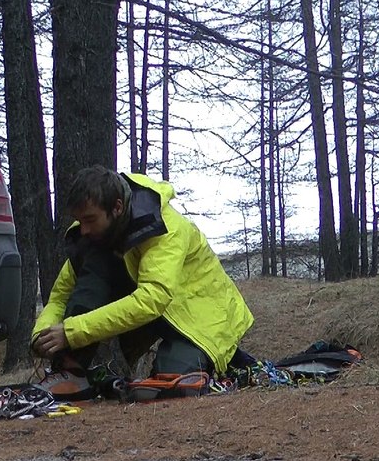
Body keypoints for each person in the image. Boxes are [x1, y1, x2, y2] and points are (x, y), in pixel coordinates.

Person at [31, 166, 254, 399]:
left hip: (204, 318)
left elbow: (151, 299)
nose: (83, 229)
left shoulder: (165, 227)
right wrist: (42, 333)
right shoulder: (94, 234)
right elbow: (61, 295)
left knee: (168, 386)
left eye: (89, 220)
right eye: (79, 220)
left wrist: (71, 332)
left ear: (117, 207)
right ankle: (72, 372)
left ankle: (231, 361)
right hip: (158, 314)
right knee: (93, 263)